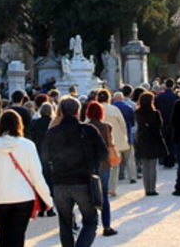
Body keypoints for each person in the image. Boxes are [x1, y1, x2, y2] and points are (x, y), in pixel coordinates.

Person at [0, 110, 53, 247]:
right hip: (23, 197)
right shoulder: (28, 145)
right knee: (18, 237)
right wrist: (47, 199)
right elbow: (37, 176)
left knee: (4, 236)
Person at [42, 97, 108, 247]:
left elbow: (44, 157)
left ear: (61, 112)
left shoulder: (52, 132)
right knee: (90, 220)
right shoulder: (88, 130)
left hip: (60, 183)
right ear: (78, 111)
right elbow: (103, 153)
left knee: (65, 223)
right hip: (83, 181)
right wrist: (92, 164)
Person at [85, 102, 118, 236]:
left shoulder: (84, 127)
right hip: (103, 164)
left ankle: (90, 224)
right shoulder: (106, 127)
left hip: (88, 165)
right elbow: (111, 144)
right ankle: (107, 226)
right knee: (103, 194)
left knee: (88, 195)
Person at [134, 92, 168, 196]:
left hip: (142, 140)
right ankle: (152, 188)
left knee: (145, 166)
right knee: (153, 166)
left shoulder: (137, 113)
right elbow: (160, 125)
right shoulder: (155, 113)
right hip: (154, 140)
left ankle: (146, 188)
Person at [98, 90, 128, 197]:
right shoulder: (114, 109)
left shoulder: (95, 109)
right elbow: (122, 124)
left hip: (99, 141)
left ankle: (102, 187)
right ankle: (112, 188)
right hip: (114, 140)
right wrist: (124, 136)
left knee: (101, 165)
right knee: (115, 164)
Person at [111, 92, 137, 185]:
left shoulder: (111, 108)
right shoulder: (128, 108)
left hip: (114, 137)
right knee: (130, 158)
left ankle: (118, 176)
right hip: (127, 136)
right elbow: (132, 123)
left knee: (116, 159)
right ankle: (132, 176)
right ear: (122, 98)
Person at [154, 79, 179, 167]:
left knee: (163, 141)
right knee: (172, 142)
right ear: (173, 85)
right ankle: (171, 159)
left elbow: (155, 108)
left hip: (162, 121)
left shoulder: (159, 97)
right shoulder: (176, 97)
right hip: (173, 122)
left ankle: (163, 159)